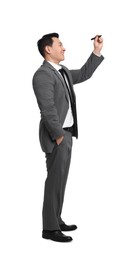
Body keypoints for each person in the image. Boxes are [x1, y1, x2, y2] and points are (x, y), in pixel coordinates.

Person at [32, 32, 104, 242]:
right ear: (48, 49)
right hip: (57, 137)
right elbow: (47, 109)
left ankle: (56, 219)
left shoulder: (62, 71)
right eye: (60, 44)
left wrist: (96, 52)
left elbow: (83, 73)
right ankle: (49, 229)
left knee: (61, 181)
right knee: (54, 181)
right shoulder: (42, 75)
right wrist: (59, 136)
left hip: (67, 134)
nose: (64, 48)